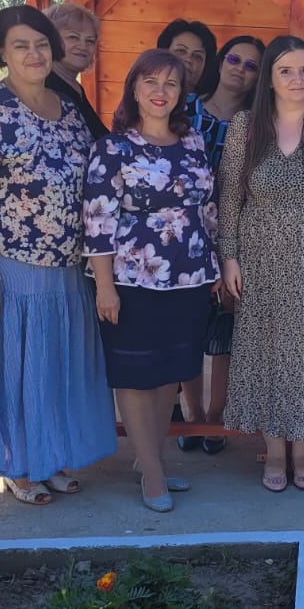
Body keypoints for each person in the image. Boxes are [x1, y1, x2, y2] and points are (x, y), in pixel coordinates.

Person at [0, 5, 116, 504]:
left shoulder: (67, 109)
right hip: (6, 263)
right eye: (21, 45)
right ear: (1, 52)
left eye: (41, 44)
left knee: (49, 370)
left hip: (61, 267)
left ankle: (47, 457)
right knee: (13, 372)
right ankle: (19, 465)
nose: (34, 54)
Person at [218, 35, 304, 492]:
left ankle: (302, 452)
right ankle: (275, 452)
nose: (298, 79)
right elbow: (230, 197)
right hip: (260, 264)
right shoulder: (246, 127)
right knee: (267, 357)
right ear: (270, 79)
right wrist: (229, 257)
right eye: (286, 71)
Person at [84, 49, 218, 512]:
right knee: (137, 375)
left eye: (171, 84)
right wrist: (105, 286)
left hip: (190, 277)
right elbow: (98, 221)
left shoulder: (193, 141)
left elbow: (208, 209)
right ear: (135, 89)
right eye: (151, 82)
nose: (161, 92)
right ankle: (153, 476)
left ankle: (151, 461)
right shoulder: (113, 148)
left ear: (181, 94)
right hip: (133, 280)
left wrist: (215, 263)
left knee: (169, 374)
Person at [176, 34, 263, 457]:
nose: (240, 69)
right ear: (221, 61)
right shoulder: (185, 109)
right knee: (188, 329)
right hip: (183, 237)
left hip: (236, 236)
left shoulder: (258, 123)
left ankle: (217, 415)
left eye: (251, 65)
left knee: (226, 327)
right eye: (234, 59)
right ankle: (192, 414)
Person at [44, 1, 107, 139]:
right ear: (50, 40)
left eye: (90, 41)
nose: (83, 46)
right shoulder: (46, 88)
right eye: (73, 37)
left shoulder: (74, 87)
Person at [158, 19, 218, 131]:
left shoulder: (211, 113)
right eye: (181, 51)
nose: (188, 59)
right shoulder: (143, 98)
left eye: (197, 56)